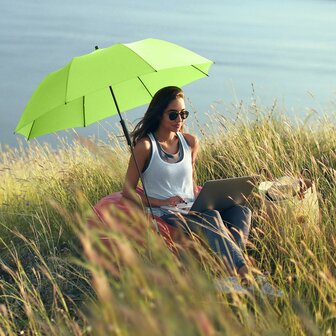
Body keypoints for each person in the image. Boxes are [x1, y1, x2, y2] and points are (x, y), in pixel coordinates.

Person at [122, 86, 282, 296]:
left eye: (183, 113)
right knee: (211, 216)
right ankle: (247, 275)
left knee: (242, 211)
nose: (179, 119)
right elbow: (127, 191)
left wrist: (205, 198)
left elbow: (190, 179)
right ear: (159, 114)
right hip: (167, 213)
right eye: (173, 114)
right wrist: (163, 203)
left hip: (192, 206)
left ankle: (229, 276)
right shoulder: (145, 147)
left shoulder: (189, 142)